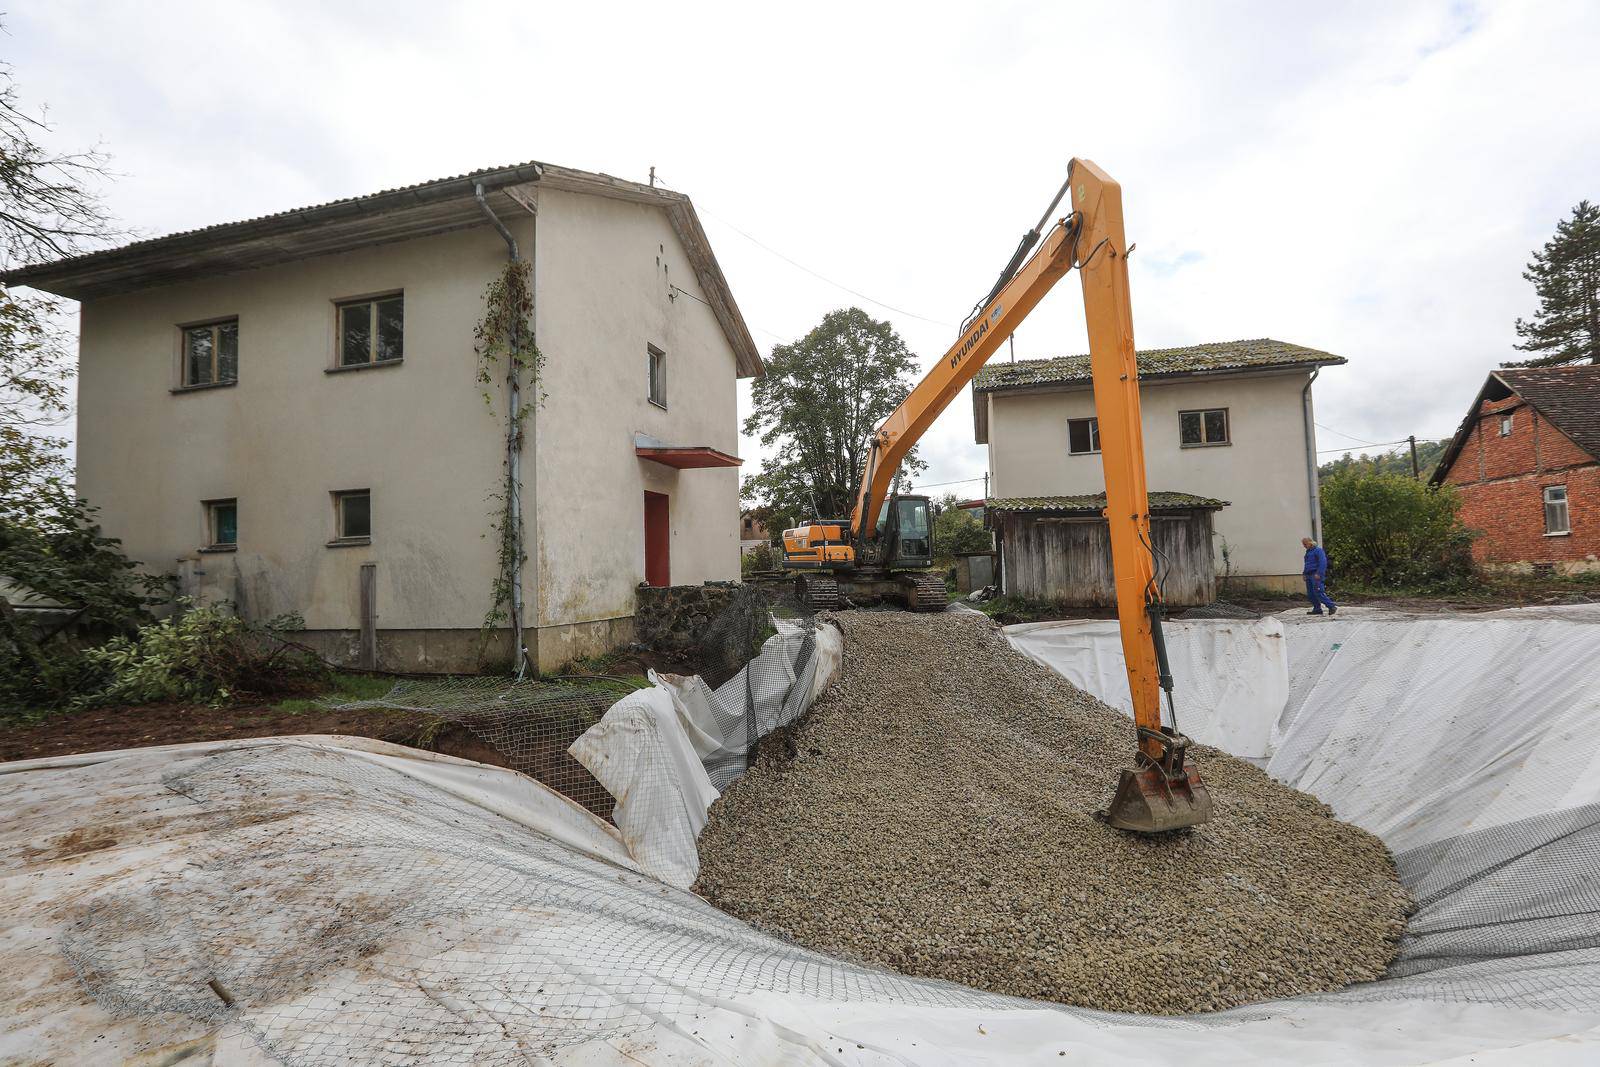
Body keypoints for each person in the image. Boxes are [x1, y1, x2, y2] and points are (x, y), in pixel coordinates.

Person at [1301, 537, 1337, 615]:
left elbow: (1323, 562)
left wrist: (1319, 573)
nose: (1304, 546)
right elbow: (1307, 564)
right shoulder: (1308, 552)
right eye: (1303, 544)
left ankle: (1331, 606)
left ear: (1310, 542)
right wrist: (1304, 573)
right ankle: (1317, 609)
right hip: (1308, 575)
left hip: (1316, 574)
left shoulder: (1318, 551)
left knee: (1318, 592)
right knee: (1310, 594)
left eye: (1305, 544)